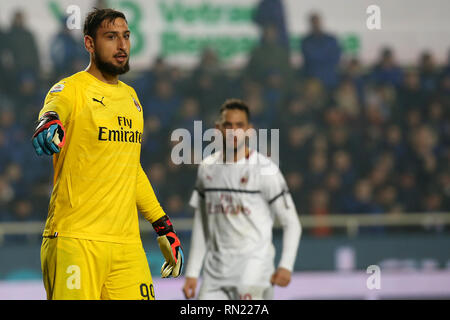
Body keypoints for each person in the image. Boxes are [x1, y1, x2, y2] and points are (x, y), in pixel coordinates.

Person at [31, 8, 183, 300]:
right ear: (89, 43)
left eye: (125, 36)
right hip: (76, 240)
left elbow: (130, 168)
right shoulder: (71, 89)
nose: (122, 45)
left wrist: (162, 224)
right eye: (111, 37)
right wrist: (49, 121)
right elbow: (53, 109)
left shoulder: (131, 99)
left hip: (127, 246)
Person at [182, 99, 301, 300]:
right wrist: (193, 272)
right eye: (228, 125)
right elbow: (202, 223)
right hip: (215, 274)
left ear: (250, 131)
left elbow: (292, 223)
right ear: (218, 130)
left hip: (254, 269)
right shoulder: (207, 168)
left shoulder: (266, 170)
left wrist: (286, 265)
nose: (234, 131)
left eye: (240, 126)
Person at [301, 13, 341, 89]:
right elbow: (309, 59)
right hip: (313, 81)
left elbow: (336, 58)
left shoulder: (331, 39)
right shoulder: (306, 41)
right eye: (313, 22)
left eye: (317, 22)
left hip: (330, 80)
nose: (315, 24)